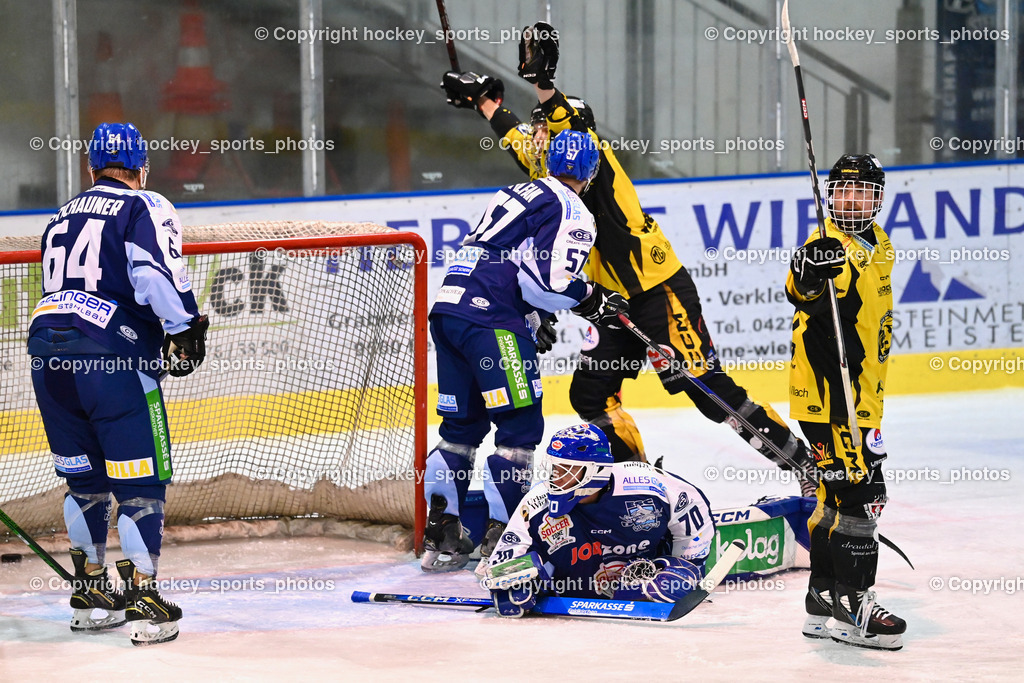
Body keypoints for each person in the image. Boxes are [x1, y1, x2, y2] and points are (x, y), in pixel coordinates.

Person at [440, 22, 818, 497]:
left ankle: (805, 464)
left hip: (658, 292)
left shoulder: (591, 157)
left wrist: (542, 83)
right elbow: (516, 133)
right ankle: (637, 480)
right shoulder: (548, 166)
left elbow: (561, 120)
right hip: (612, 304)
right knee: (590, 395)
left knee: (706, 388)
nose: (539, 136)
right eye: (539, 131)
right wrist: (483, 99)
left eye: (547, 129)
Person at [28, 122, 207, 645]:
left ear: (91, 168)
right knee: (140, 483)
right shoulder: (144, 205)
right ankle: (146, 600)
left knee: (84, 482)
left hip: (47, 354)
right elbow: (152, 274)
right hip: (112, 358)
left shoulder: (60, 215)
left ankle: (89, 594)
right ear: (140, 168)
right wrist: (184, 329)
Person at [423, 129, 630, 572]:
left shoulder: (520, 189)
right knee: (518, 433)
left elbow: (511, 262)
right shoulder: (572, 208)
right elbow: (549, 282)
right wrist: (594, 298)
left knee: (459, 429)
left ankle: (440, 537)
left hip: (450, 309)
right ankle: (504, 542)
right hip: (491, 319)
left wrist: (534, 318)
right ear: (592, 172)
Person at [787, 154, 906, 650]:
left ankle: (822, 598)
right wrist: (811, 275)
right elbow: (799, 290)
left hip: (863, 402)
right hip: (833, 401)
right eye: (842, 191)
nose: (851, 200)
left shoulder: (879, 243)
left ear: (878, 198)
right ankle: (855, 605)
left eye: (862, 192)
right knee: (861, 499)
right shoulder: (824, 246)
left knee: (835, 498)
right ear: (830, 196)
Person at [484, 423, 714, 616]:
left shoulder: (648, 485)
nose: (556, 478)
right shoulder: (536, 503)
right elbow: (501, 561)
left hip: (642, 587)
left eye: (567, 470)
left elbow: (692, 506)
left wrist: (690, 566)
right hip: (571, 598)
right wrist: (509, 582)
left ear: (596, 471)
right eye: (554, 469)